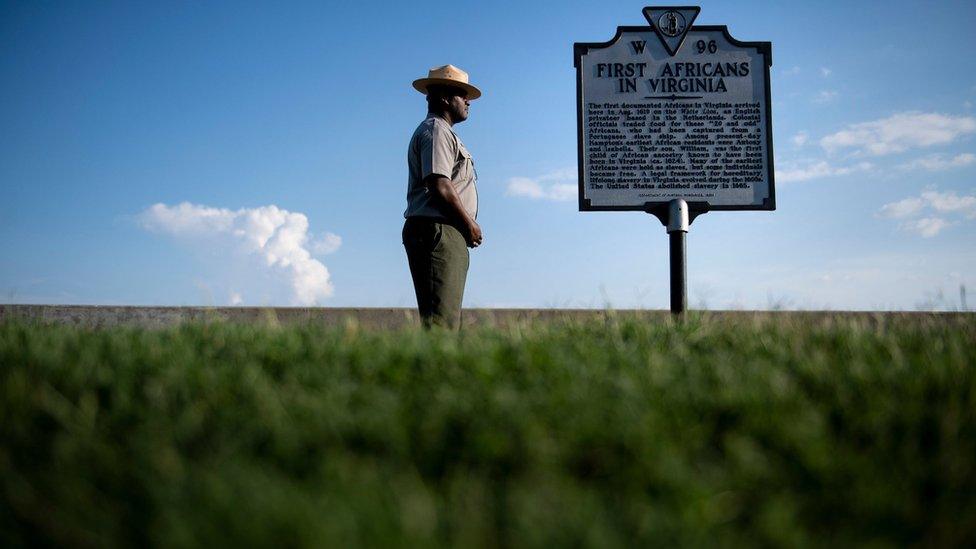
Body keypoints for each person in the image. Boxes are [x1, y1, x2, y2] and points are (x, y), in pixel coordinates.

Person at [402, 65, 483, 329]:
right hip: (438, 230)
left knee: (446, 321)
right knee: (442, 326)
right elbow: (439, 184)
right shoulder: (436, 130)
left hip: (445, 230)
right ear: (445, 98)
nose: (468, 102)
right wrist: (468, 224)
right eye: (463, 94)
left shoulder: (444, 132)